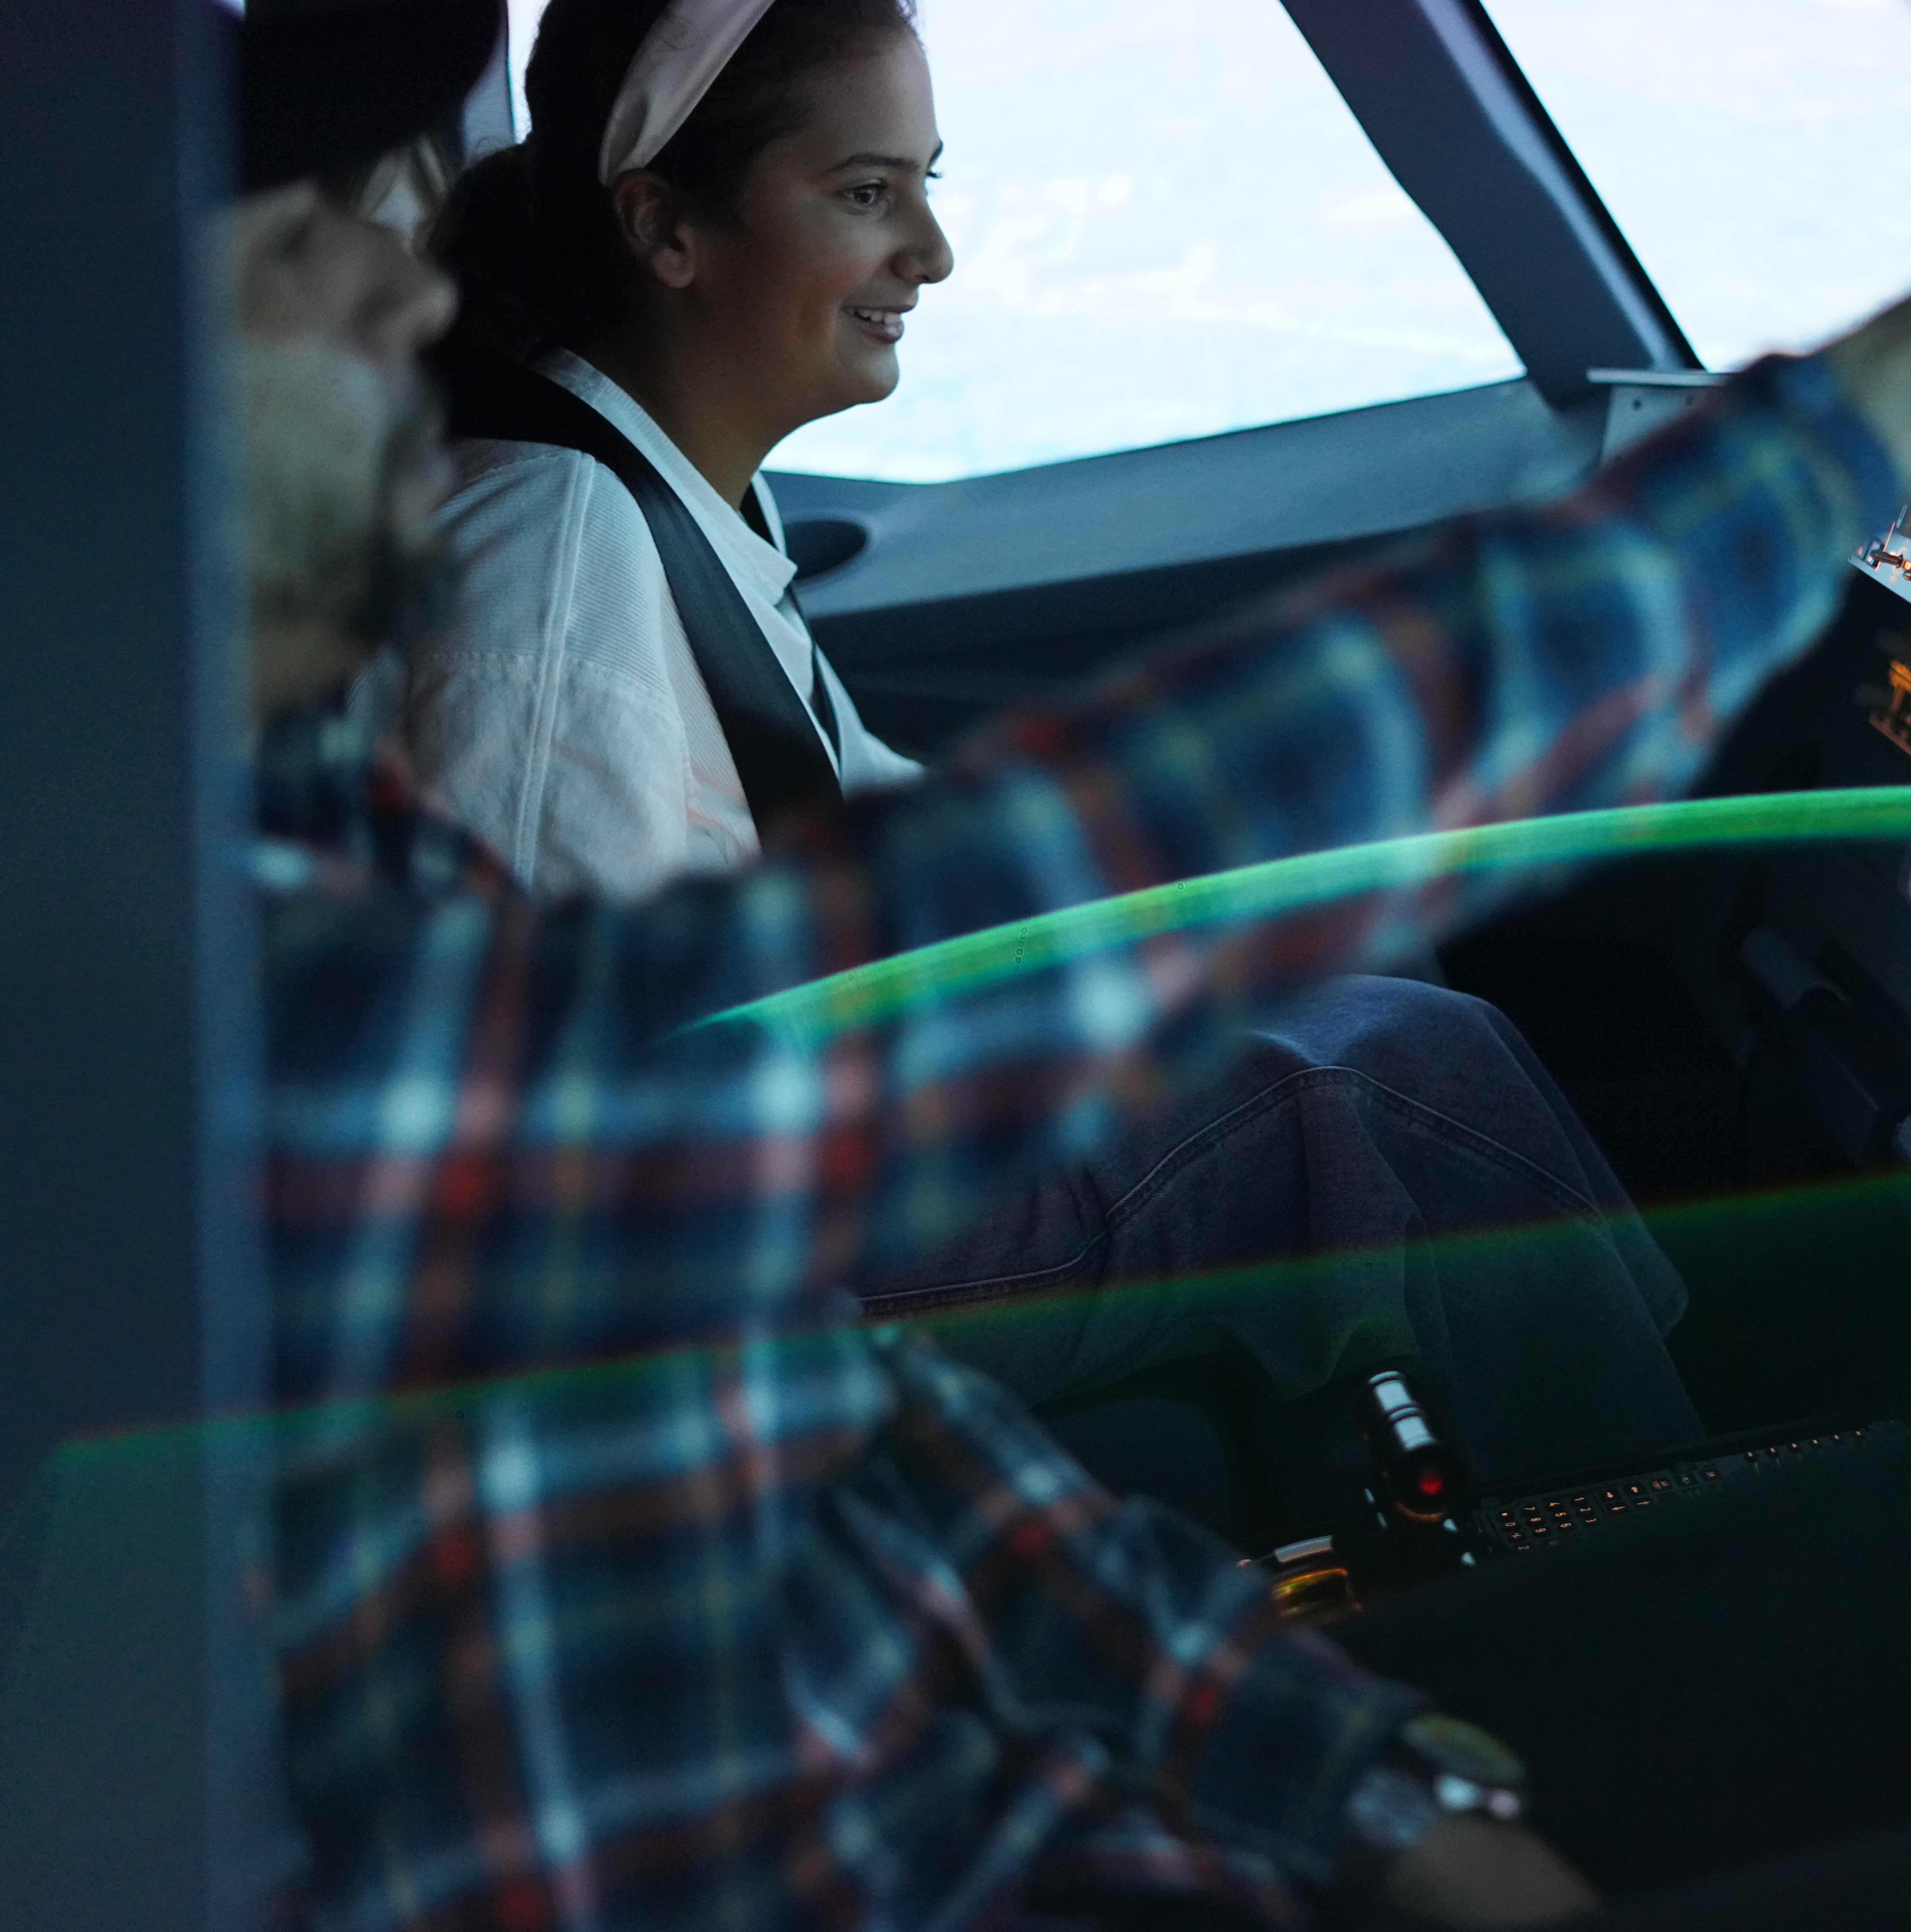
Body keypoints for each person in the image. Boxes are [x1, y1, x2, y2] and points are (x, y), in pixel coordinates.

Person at [224, 1, 1911, 1932]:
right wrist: (1876, 429)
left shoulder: (332, 831)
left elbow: (838, 1412)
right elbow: (896, 970)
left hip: (965, 1813)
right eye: (306, 241)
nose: (412, 300)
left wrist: (1353, 1782)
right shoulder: (205, 998)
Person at [362, 0, 1709, 1486]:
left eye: (928, 183)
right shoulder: (554, 577)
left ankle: (1594, 1465)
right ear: (668, 231)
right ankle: (1652, 1560)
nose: (930, 253)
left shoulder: (660, 489)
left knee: (1369, 957)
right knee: (1391, 1075)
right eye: (866, 194)